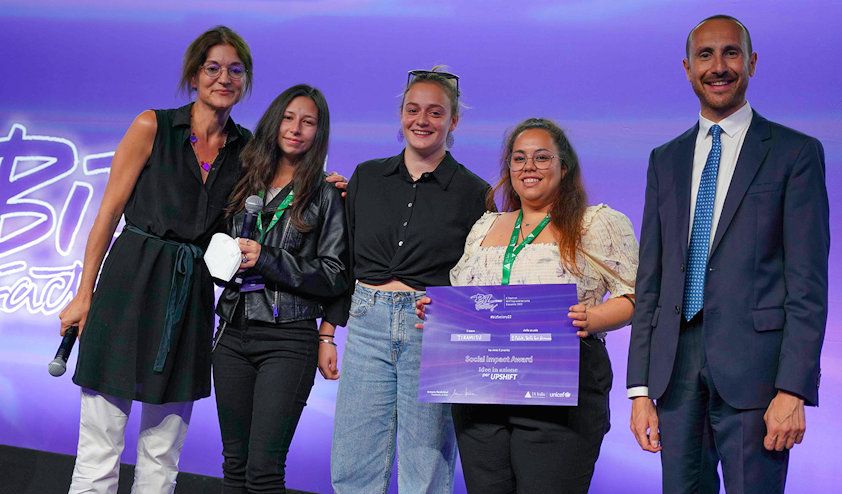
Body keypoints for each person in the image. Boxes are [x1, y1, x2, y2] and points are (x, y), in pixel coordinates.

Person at [627, 15, 829, 494]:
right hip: (674, 375)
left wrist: (793, 388)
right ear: (687, 68)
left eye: (731, 53)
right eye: (705, 55)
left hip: (757, 375)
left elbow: (807, 285)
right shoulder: (665, 159)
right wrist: (640, 390)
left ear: (752, 62)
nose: (719, 66)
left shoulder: (794, 153)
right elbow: (650, 279)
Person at [57, 26, 253, 493]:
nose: (223, 78)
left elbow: (288, 181)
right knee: (99, 448)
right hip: (129, 286)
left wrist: (328, 183)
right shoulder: (153, 125)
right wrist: (84, 295)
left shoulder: (247, 149)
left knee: (162, 456)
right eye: (213, 68)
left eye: (235, 70)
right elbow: (106, 215)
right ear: (193, 75)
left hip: (190, 300)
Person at [417, 118, 639, 493]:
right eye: (518, 159)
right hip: (481, 390)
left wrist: (596, 317)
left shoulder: (596, 223)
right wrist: (441, 314)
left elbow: (635, 294)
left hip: (561, 387)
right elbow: (469, 299)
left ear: (563, 168)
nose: (528, 167)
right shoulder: (485, 227)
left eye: (541, 157)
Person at [330, 68, 492, 493]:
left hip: (432, 328)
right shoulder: (366, 176)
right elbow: (343, 262)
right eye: (413, 109)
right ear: (401, 114)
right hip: (366, 321)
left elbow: (477, 276)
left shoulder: (476, 193)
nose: (422, 120)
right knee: (353, 459)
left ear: (453, 121)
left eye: (435, 112)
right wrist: (327, 334)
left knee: (426, 466)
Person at [212, 84, 350, 493]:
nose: (296, 129)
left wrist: (267, 258)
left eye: (308, 122)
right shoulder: (242, 181)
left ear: (318, 133)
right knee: (234, 465)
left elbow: (334, 273)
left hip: (289, 337)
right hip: (232, 332)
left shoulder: (327, 193)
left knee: (264, 470)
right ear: (274, 123)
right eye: (289, 118)